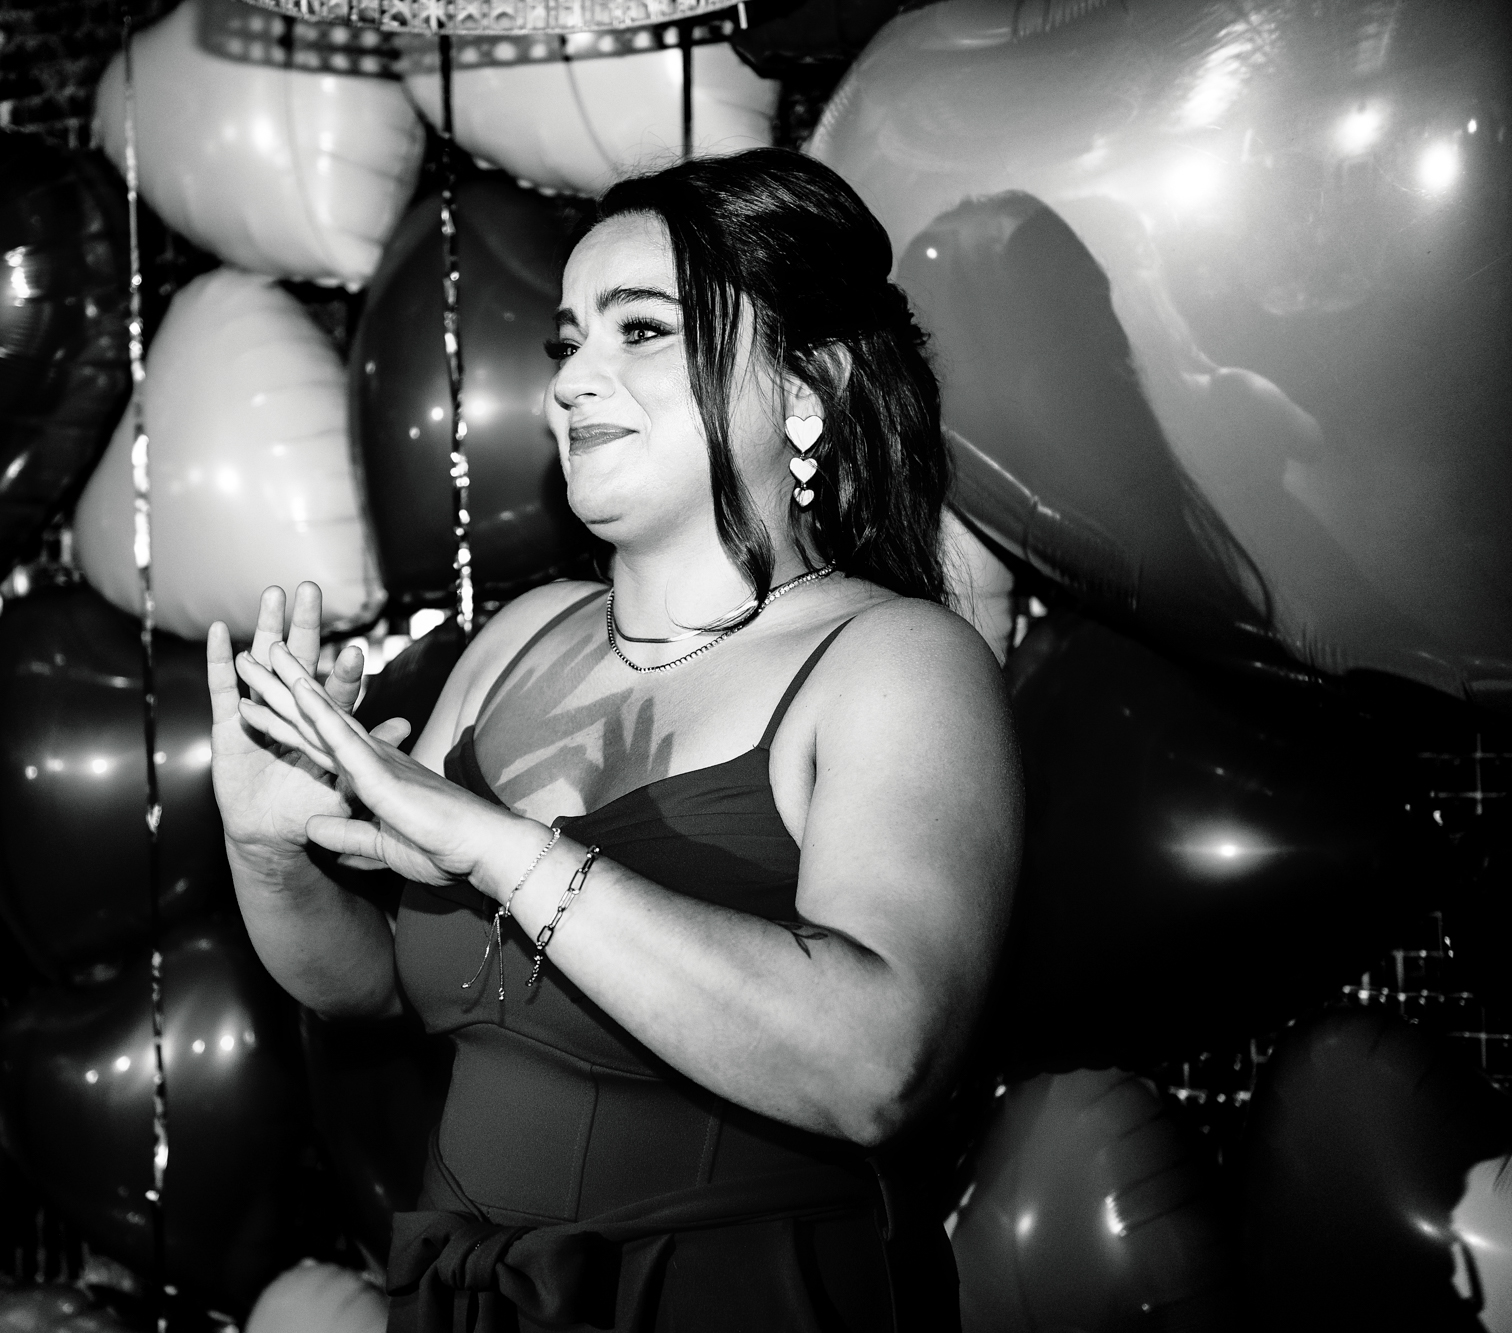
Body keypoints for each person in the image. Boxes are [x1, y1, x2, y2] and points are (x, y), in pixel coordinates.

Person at [207, 148, 1021, 1332]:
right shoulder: (521, 635)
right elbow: (382, 986)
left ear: (805, 390)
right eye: (565, 342)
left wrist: (503, 848)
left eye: (638, 331)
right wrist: (268, 851)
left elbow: (875, 1065)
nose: (570, 382)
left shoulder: (895, 661)